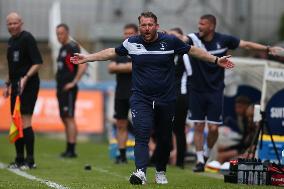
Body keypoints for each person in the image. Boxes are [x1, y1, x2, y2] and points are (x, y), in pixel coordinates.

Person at [71, 11, 234, 185]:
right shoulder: (132, 42)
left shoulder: (170, 41)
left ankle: (160, 170)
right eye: (143, 25)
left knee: (164, 138)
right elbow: (112, 52)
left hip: (166, 98)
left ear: (156, 26)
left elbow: (193, 50)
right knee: (142, 132)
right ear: (139, 27)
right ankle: (140, 172)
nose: (147, 28)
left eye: (150, 25)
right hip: (141, 97)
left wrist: (216, 60)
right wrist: (87, 58)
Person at [187, 14, 284, 172]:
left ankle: (206, 154)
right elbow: (179, 40)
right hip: (196, 90)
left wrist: (267, 48)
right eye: (199, 23)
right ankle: (199, 161)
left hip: (215, 90)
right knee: (198, 125)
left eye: (202, 24)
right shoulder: (193, 39)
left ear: (212, 26)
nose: (199, 27)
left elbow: (245, 44)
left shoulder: (224, 40)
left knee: (213, 129)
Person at [3, 12, 42, 169]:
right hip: (15, 86)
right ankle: (19, 159)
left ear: (21, 23)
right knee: (16, 120)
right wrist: (7, 84)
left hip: (29, 85)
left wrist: (25, 77)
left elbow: (38, 62)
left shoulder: (27, 38)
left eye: (15, 23)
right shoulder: (11, 41)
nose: (12, 26)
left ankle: (30, 160)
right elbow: (13, 68)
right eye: (9, 24)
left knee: (25, 120)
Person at [108, 23, 138, 164]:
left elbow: (135, 66)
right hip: (121, 93)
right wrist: (127, 67)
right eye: (125, 33)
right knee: (121, 124)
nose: (127, 36)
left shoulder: (140, 48)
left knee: (141, 124)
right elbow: (111, 67)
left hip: (137, 92)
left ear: (136, 34)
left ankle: (145, 153)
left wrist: (120, 67)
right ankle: (122, 155)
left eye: (130, 33)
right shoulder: (120, 50)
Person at [56, 23, 87, 158]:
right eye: (57, 34)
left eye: (61, 33)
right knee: (64, 117)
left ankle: (72, 149)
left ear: (67, 33)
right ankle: (68, 147)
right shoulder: (63, 48)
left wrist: (73, 82)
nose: (59, 36)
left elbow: (83, 64)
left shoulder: (72, 46)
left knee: (69, 117)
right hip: (61, 88)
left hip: (69, 88)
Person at [167, 27, 192, 169]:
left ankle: (180, 161)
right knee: (168, 128)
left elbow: (191, 74)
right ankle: (164, 158)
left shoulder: (184, 54)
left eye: (175, 36)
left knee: (179, 129)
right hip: (169, 94)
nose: (172, 38)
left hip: (180, 95)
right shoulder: (170, 53)